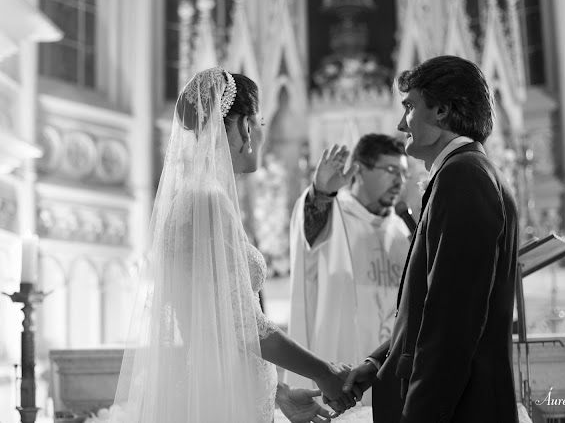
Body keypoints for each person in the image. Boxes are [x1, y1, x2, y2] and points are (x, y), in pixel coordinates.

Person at [110, 67, 353, 423]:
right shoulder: (207, 201)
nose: (262, 132)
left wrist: (279, 394)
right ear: (245, 128)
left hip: (231, 393)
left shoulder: (200, 199)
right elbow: (245, 325)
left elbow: (216, 330)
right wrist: (323, 372)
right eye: (261, 122)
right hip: (225, 403)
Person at [343, 55, 521, 422]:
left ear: (441, 110)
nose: (400, 124)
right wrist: (378, 362)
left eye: (409, 107)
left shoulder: (464, 177)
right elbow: (431, 306)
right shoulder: (466, 172)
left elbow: (453, 324)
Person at [286, 134, 412, 406]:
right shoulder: (335, 214)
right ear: (360, 170)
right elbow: (310, 234)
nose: (399, 181)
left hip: (388, 369)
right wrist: (321, 193)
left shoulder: (403, 231)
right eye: (391, 170)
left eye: (404, 173)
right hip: (340, 369)